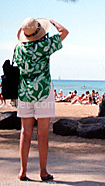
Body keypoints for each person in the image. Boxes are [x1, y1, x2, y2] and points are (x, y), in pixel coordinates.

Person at [14, 17, 68, 182]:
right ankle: (43, 172)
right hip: (43, 92)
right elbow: (64, 32)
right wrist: (52, 22)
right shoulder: (45, 46)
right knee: (43, 133)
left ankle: (23, 171)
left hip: (24, 92)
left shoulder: (19, 48)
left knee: (25, 132)